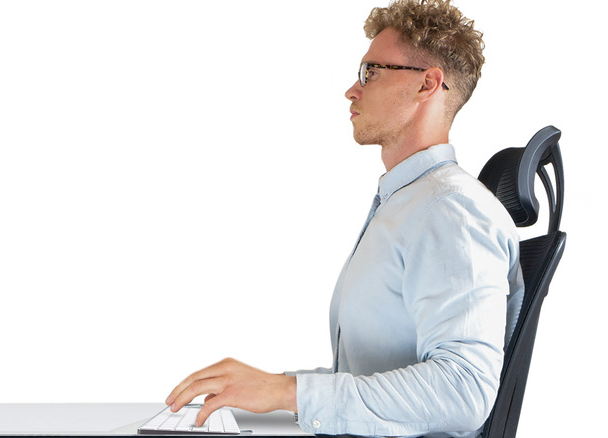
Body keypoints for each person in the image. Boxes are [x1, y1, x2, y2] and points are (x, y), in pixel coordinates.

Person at [165, 1, 524, 436]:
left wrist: (288, 393)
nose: (352, 90)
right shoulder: (410, 204)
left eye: (370, 72)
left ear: (427, 85)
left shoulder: (450, 210)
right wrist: (268, 389)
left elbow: (463, 391)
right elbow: (376, 372)